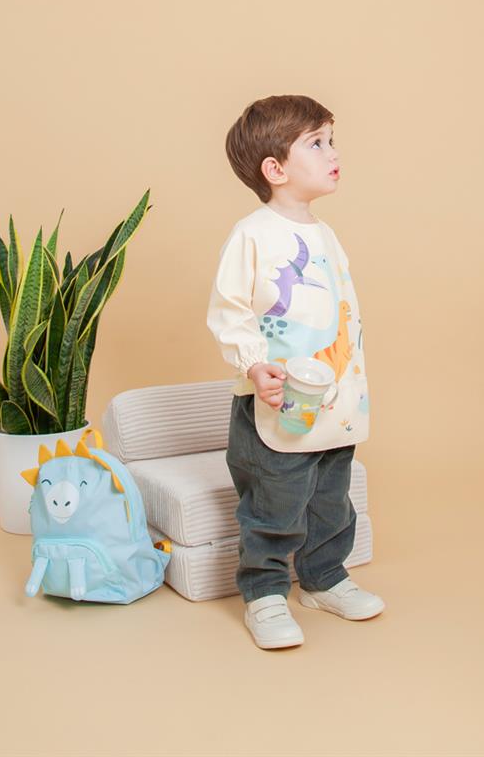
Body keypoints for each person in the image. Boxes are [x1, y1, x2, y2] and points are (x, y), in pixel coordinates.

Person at [206, 94, 385, 649]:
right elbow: (230, 310)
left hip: (333, 398)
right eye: (317, 143)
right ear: (275, 169)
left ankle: (324, 578)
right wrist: (253, 365)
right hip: (276, 399)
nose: (333, 153)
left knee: (332, 498)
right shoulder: (252, 234)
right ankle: (263, 592)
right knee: (273, 503)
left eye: (332, 140)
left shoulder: (324, 234)